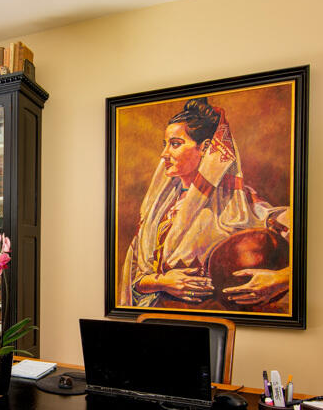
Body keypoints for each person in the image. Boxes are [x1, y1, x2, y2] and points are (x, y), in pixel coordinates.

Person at [120, 98, 290, 309]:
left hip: (217, 320)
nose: (164, 154)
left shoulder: (237, 203)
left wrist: (281, 278)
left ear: (206, 148)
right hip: (159, 321)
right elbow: (135, 278)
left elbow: (302, 234)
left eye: (175, 144)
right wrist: (162, 282)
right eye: (165, 145)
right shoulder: (158, 209)